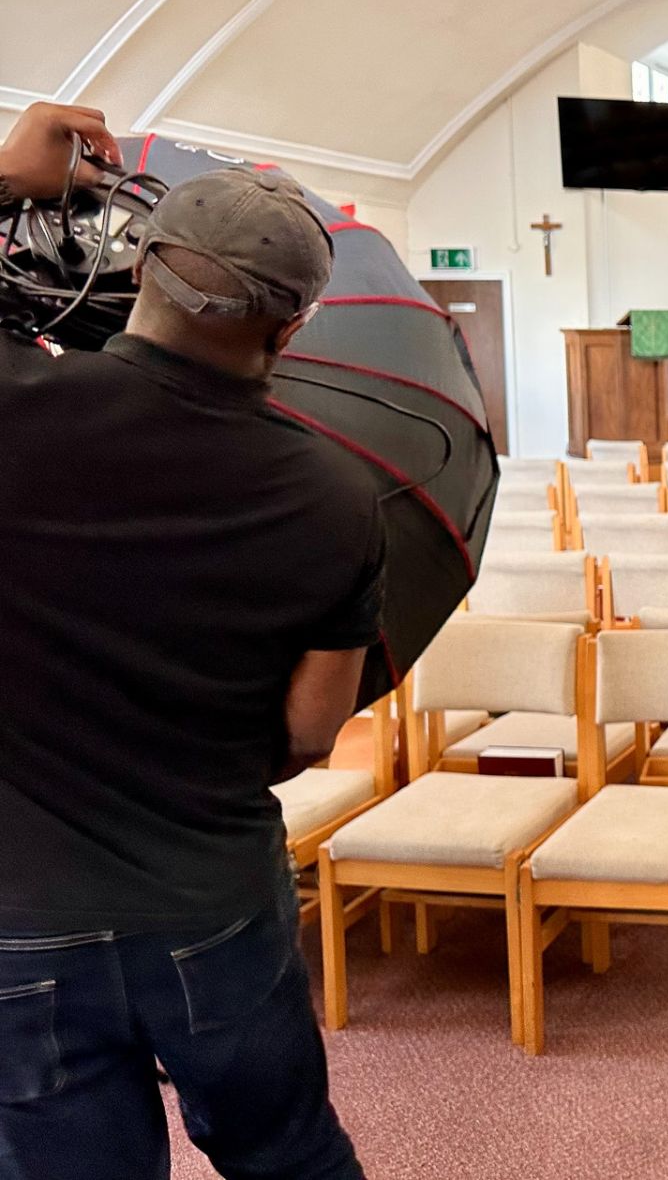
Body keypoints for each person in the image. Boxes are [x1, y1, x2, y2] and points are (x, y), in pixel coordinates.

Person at [0, 103, 373, 1179]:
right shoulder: (335, 495)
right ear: (294, 329)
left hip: (23, 912)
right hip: (211, 897)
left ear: (142, 263)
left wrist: (13, 181)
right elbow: (311, 731)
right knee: (291, 1154)